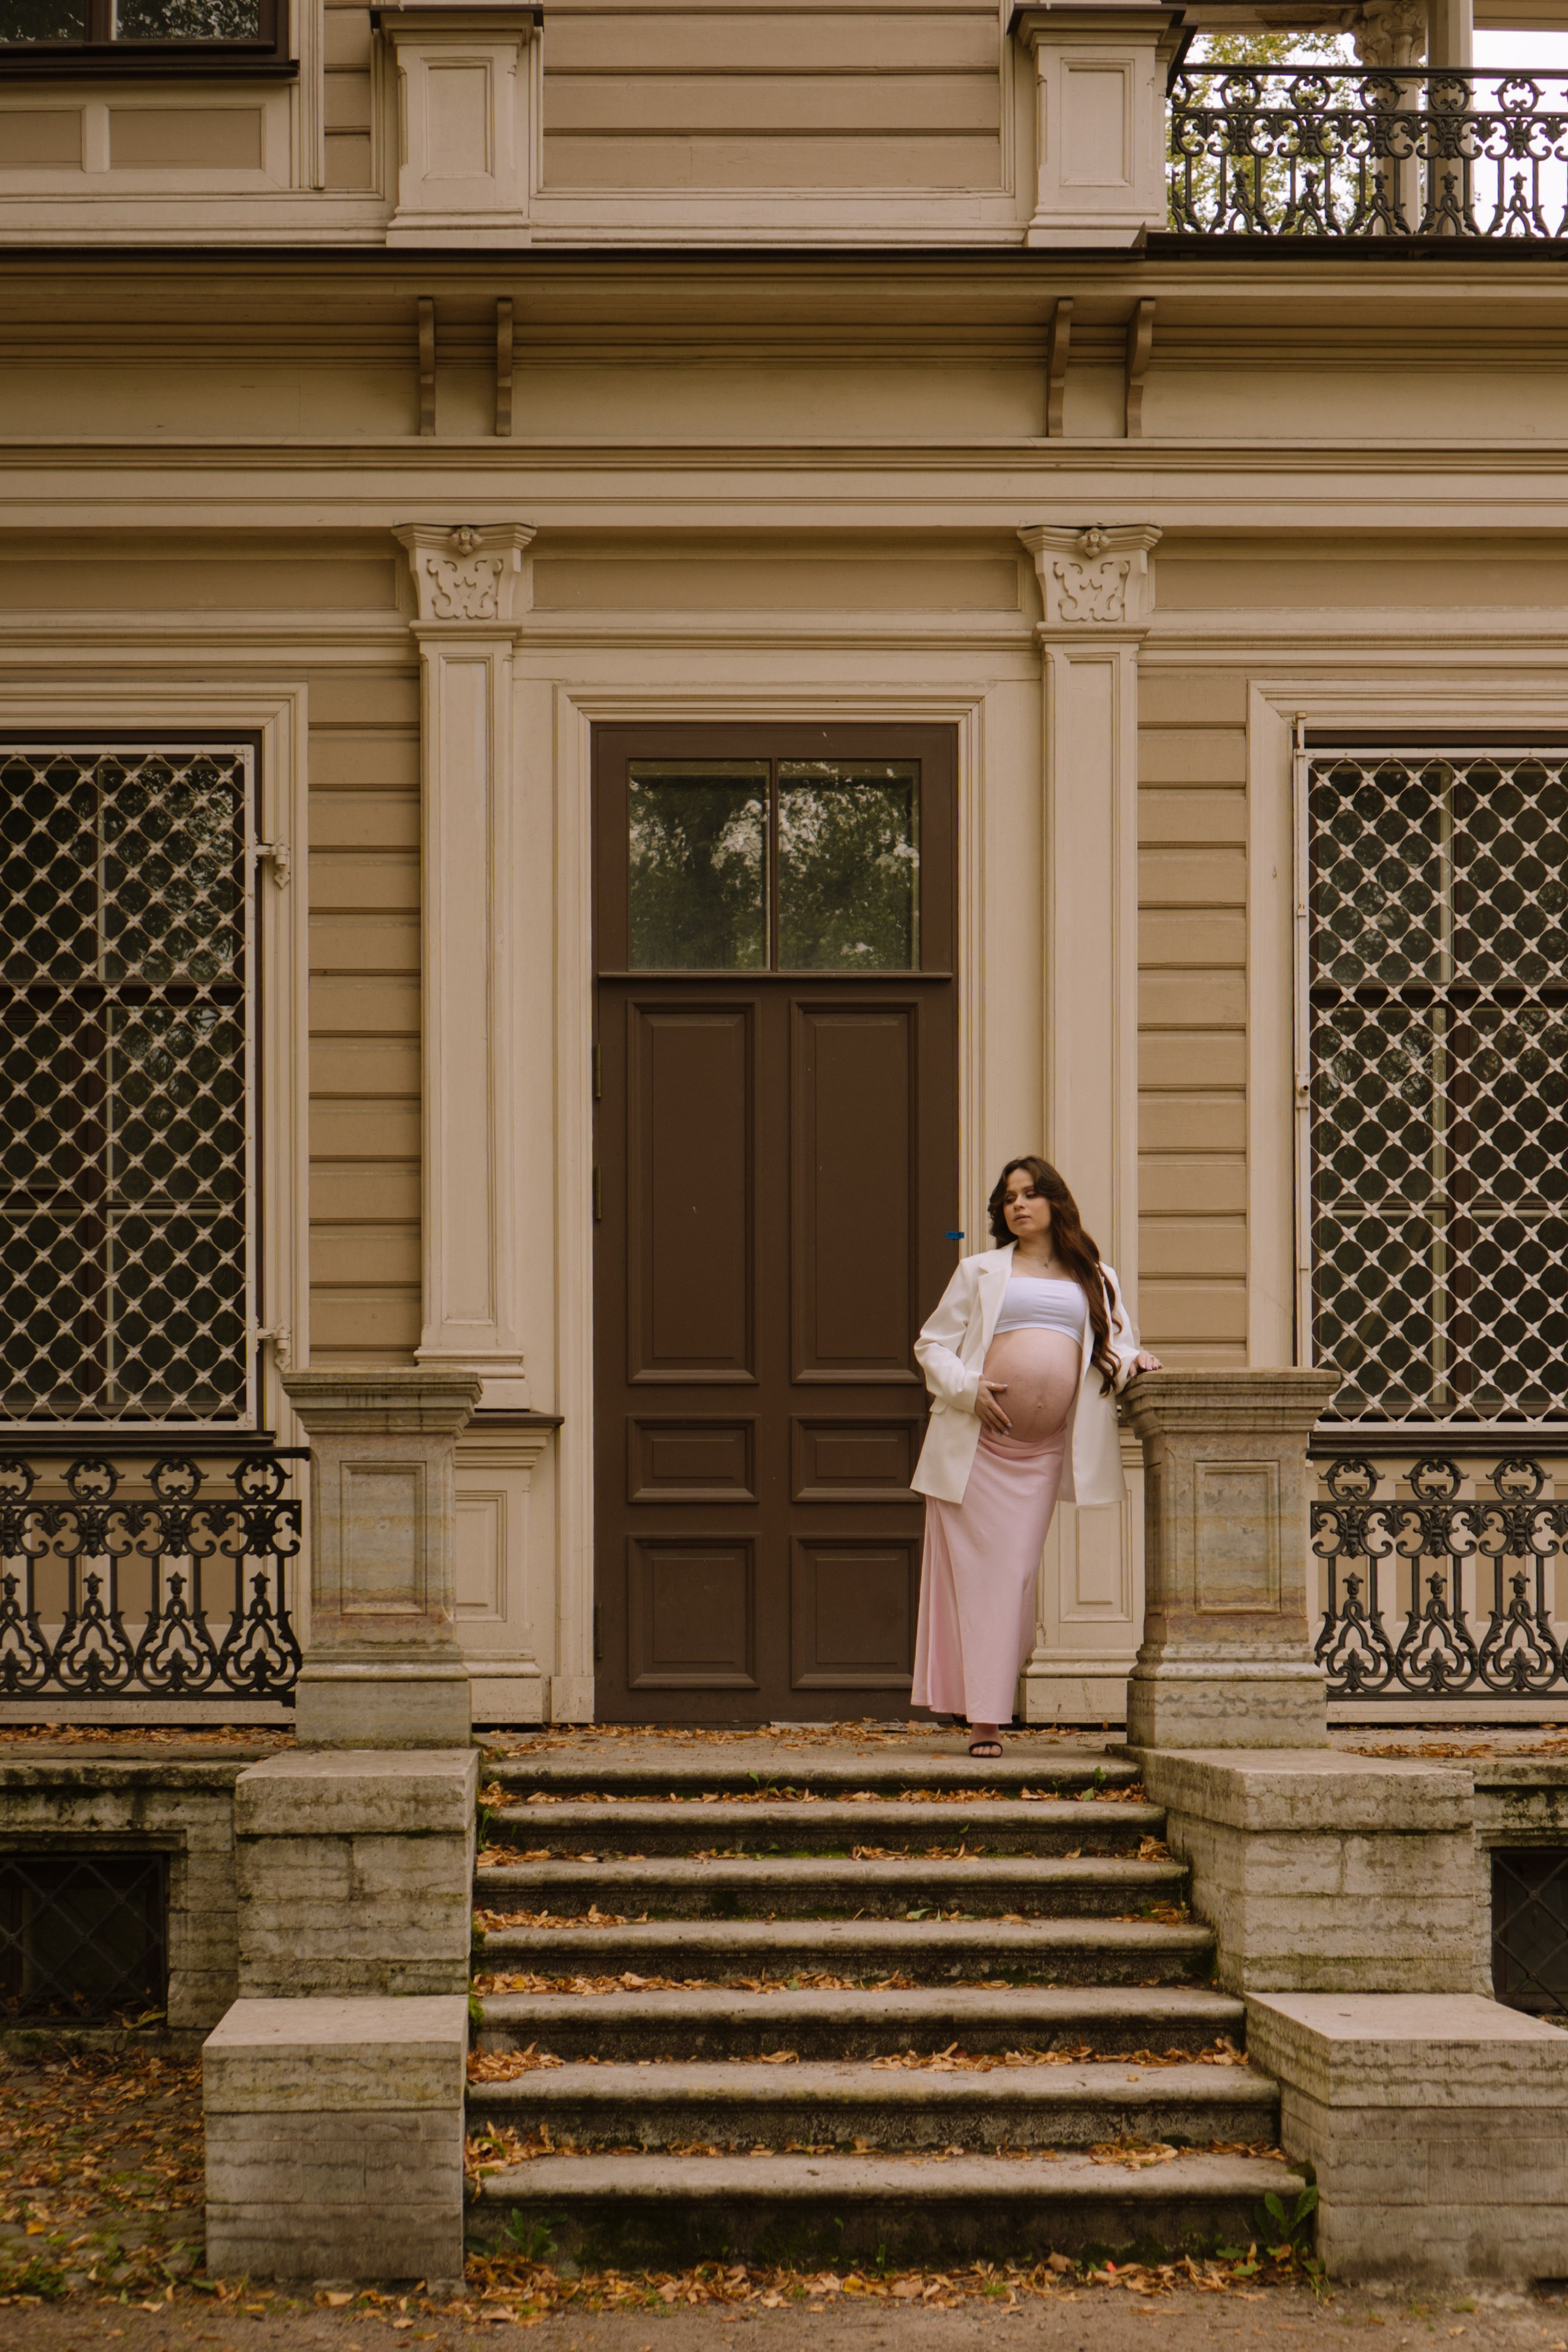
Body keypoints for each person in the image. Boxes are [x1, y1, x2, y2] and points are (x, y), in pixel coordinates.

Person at [910, 1156, 1162, 1758]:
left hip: (1040, 1453)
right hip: (977, 1450)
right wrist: (969, 1390)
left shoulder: (1096, 1277)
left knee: (1014, 1577)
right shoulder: (978, 1271)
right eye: (1008, 1198)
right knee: (981, 1581)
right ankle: (986, 1723)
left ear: (1054, 1201)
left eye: (1029, 1194)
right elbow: (931, 1345)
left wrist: (1137, 1362)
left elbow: (1116, 1346)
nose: (1017, 1205)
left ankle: (987, 1702)